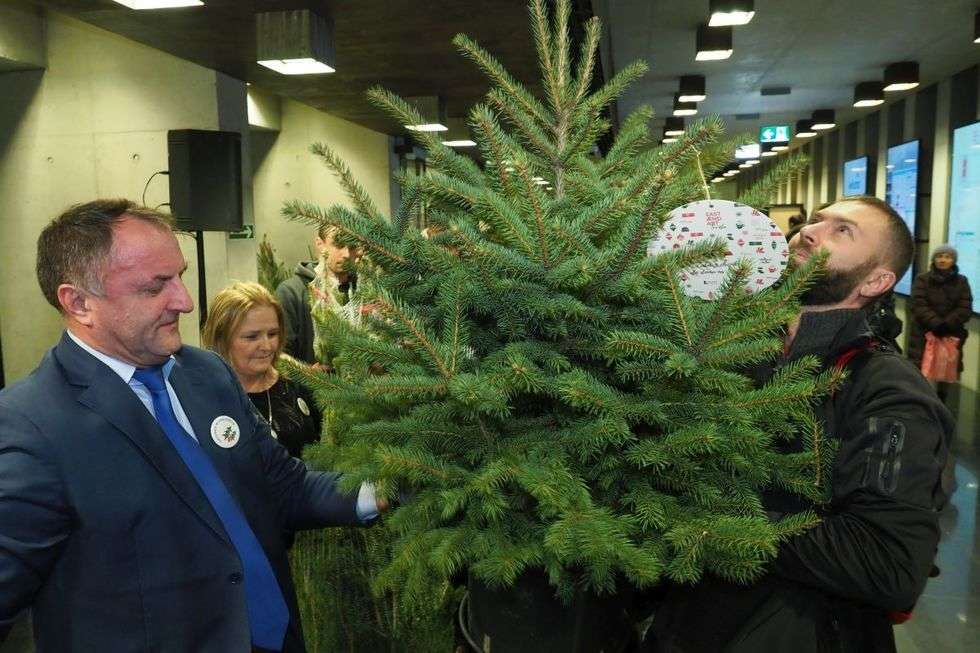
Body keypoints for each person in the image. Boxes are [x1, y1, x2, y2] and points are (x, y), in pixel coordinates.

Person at [0, 199, 382, 652]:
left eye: (179, 275)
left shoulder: (206, 374)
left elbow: (283, 487)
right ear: (79, 302)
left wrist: (387, 490)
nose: (183, 300)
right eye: (155, 286)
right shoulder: (31, 424)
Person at [646, 196, 952, 652]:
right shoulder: (733, 350)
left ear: (876, 280)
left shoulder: (886, 389)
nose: (809, 231)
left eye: (841, 231)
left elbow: (886, 562)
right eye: (815, 221)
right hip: (688, 624)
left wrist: (708, 517)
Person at [203, 281, 321, 460]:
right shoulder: (205, 399)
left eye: (272, 334)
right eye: (252, 337)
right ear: (222, 338)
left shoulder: (296, 381)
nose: (267, 346)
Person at [275, 225, 356, 364]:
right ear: (320, 244)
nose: (346, 254)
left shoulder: (363, 291)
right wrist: (309, 374)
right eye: (339, 245)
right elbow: (279, 354)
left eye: (352, 247)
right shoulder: (291, 292)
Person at [908, 244, 973, 398]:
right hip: (924, 335)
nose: (943, 260)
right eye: (939, 256)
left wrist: (947, 325)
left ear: (953, 260)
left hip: (951, 335)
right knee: (922, 376)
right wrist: (936, 323)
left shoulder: (962, 281)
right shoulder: (922, 279)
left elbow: (965, 307)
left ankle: (941, 407)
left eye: (947, 257)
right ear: (934, 259)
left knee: (946, 375)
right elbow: (918, 305)